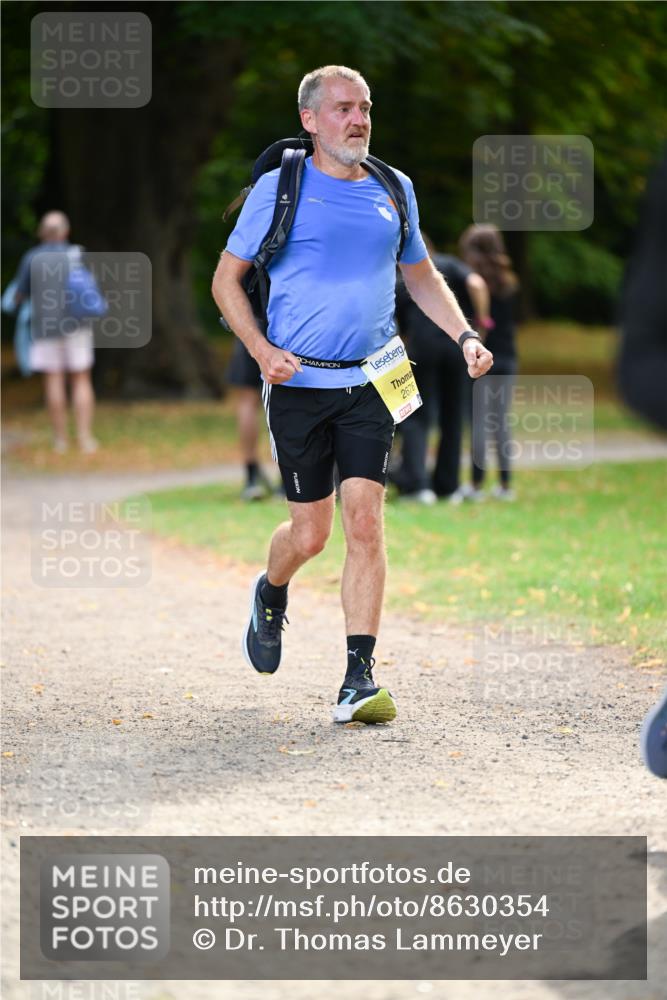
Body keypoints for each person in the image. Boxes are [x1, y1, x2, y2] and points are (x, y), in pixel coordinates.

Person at [211, 65, 493, 724]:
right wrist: (260, 350)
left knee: (364, 523)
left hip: (373, 377)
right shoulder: (278, 191)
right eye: (342, 108)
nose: (357, 119)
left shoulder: (393, 189)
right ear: (310, 120)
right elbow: (227, 281)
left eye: (364, 107)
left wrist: (463, 337)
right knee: (309, 535)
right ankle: (271, 587)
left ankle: (357, 678)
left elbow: (420, 277)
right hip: (297, 384)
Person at [393, 236, 491, 503]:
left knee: (415, 418)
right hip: (454, 347)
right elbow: (477, 282)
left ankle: (418, 486)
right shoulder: (449, 264)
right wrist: (480, 324)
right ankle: (448, 486)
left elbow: (398, 329)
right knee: (453, 416)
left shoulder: (403, 279)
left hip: (421, 350)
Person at [12, 211, 98, 454]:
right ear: (65, 232)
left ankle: (60, 440)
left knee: (54, 379)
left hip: (45, 327)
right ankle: (85, 438)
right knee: (81, 379)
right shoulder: (78, 255)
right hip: (77, 326)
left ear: (42, 232)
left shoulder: (32, 258)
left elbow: (20, 295)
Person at [459, 224, 519, 500]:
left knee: (479, 421)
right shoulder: (509, 281)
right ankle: (506, 485)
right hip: (507, 357)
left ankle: (475, 484)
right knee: (500, 422)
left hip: (481, 358)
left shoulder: (469, 281)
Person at [226, 338, 278, 500]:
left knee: (247, 400)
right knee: (286, 397)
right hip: (284, 329)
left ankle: (252, 477)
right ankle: (287, 478)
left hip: (250, 330)